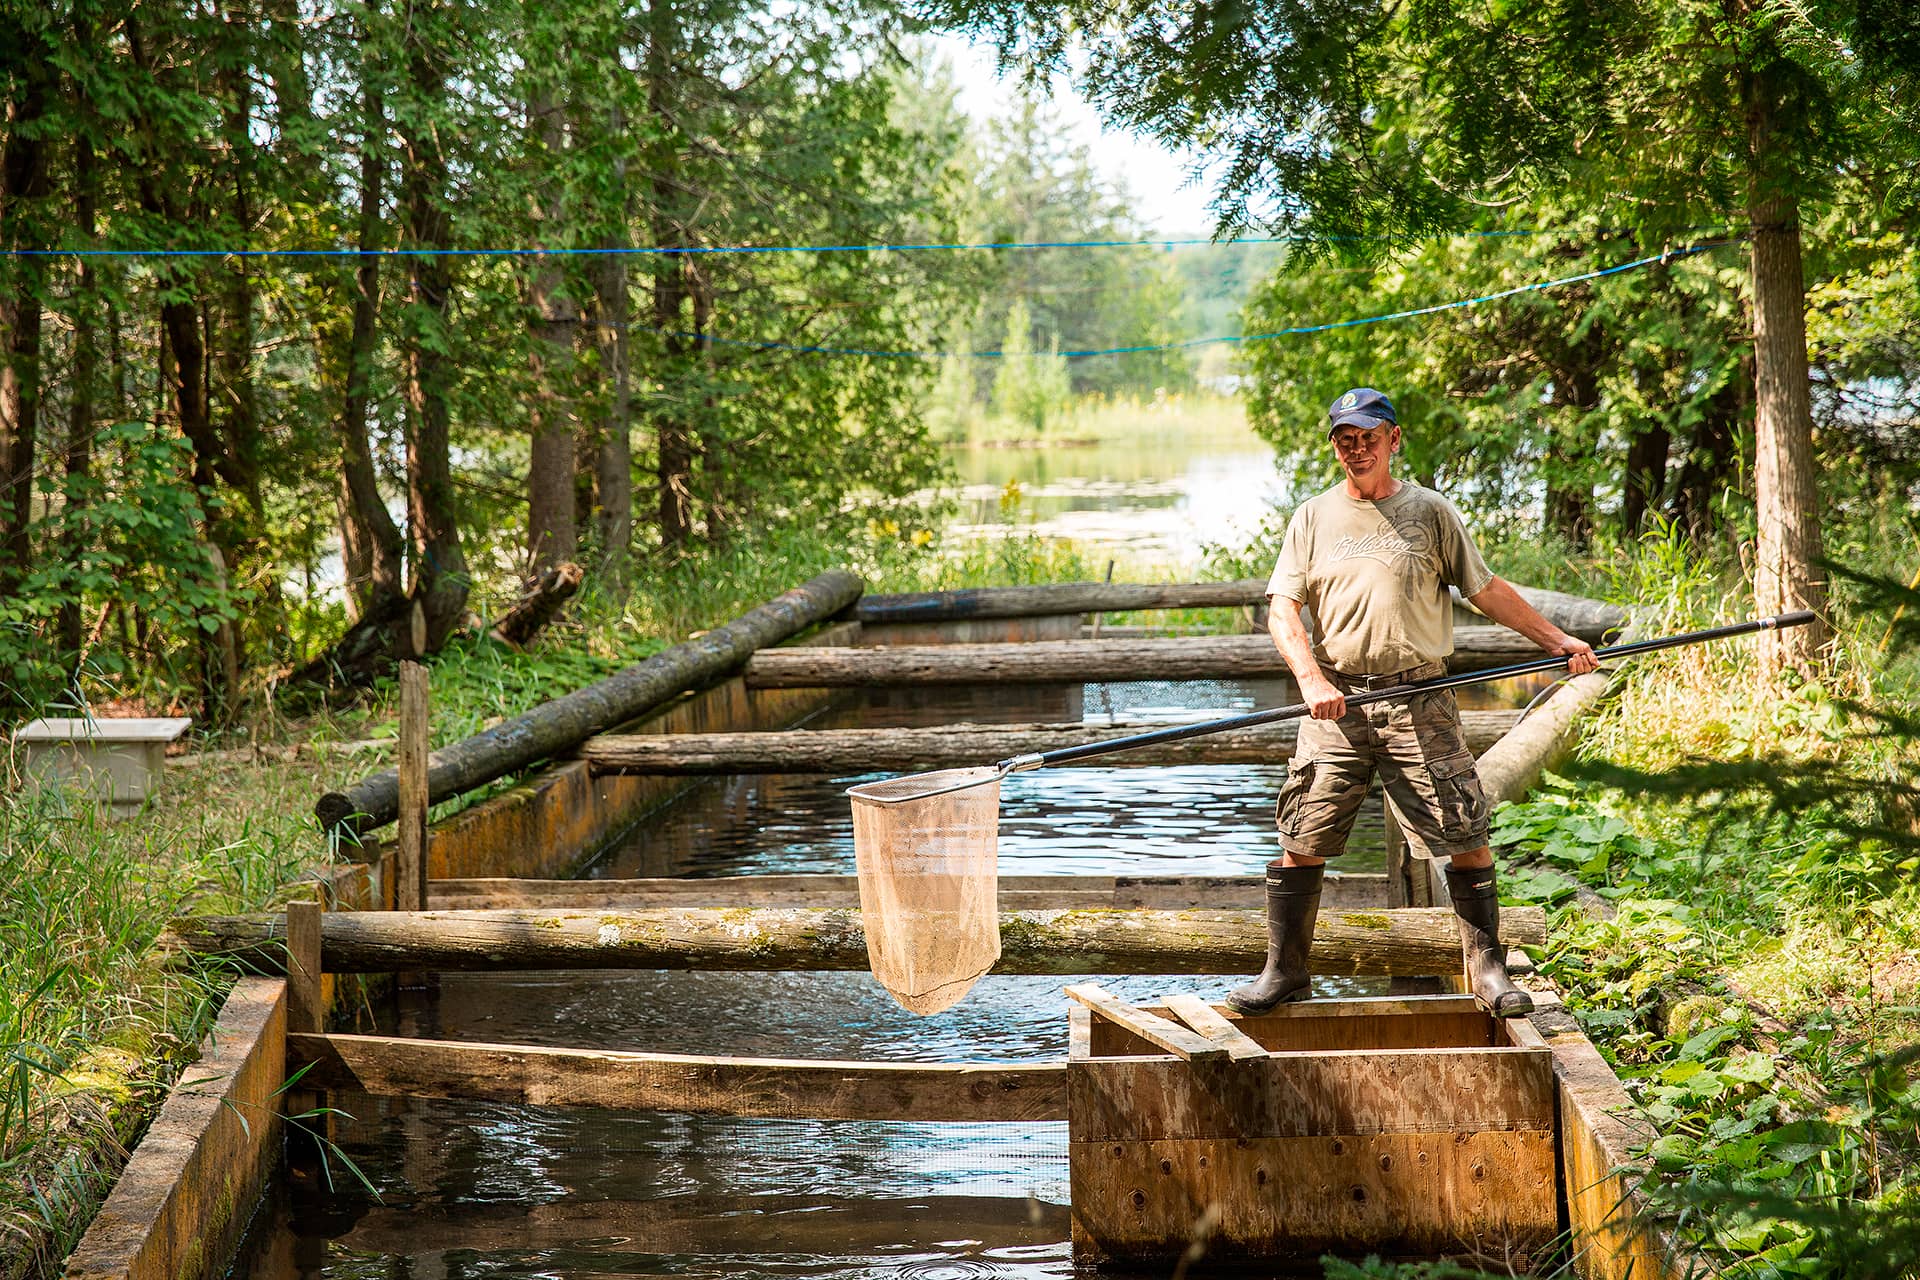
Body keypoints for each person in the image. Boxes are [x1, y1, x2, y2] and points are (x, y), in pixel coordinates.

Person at [1227, 387, 1599, 1019]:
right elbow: (1283, 609)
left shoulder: (1430, 512)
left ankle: (1486, 970)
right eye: (1346, 438)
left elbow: (1485, 590)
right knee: (1301, 837)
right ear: (1335, 445)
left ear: (1393, 439)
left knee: (1465, 832)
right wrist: (1312, 680)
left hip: (1420, 699)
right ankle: (1284, 971)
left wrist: (1559, 639)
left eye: (1369, 436)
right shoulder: (1312, 518)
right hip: (1338, 702)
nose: (1357, 448)